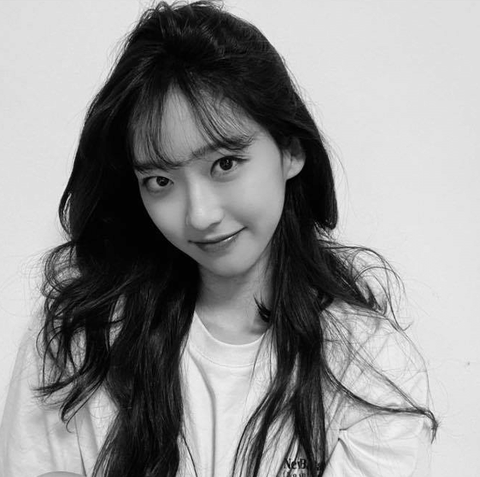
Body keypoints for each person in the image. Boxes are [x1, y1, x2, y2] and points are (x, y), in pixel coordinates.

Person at [0, 1, 438, 476]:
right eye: (160, 181)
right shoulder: (78, 339)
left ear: (291, 151)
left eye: (224, 164)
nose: (200, 215)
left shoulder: (369, 367)